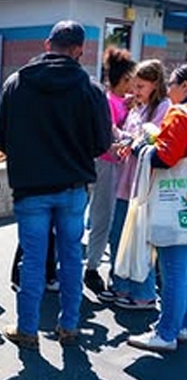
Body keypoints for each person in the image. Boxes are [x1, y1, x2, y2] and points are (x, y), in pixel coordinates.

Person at [0, 20, 111, 349]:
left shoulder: (16, 83)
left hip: (31, 187)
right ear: (79, 50)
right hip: (73, 185)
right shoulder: (90, 89)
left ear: (48, 44)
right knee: (71, 256)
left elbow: (0, 136)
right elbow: (102, 142)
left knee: (32, 258)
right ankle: (69, 326)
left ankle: (27, 329)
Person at [100, 59, 170, 310]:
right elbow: (132, 137)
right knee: (119, 235)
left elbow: (153, 142)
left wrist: (129, 142)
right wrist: (120, 140)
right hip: (126, 182)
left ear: (155, 84)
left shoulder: (163, 107)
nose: (135, 91)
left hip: (144, 188)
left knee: (140, 242)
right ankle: (121, 286)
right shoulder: (138, 107)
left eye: (140, 86)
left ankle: (144, 293)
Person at [127, 64, 187, 351]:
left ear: (184, 87)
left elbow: (165, 158)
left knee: (174, 270)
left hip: (174, 206)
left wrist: (143, 145)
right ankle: (180, 324)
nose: (170, 89)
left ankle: (165, 333)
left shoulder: (180, 114)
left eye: (173, 84)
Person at [84, 47, 136, 294]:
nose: (132, 85)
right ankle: (92, 268)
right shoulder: (107, 102)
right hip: (107, 163)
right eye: (129, 80)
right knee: (103, 217)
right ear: (119, 79)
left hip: (120, 166)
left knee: (112, 218)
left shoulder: (124, 101)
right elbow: (112, 131)